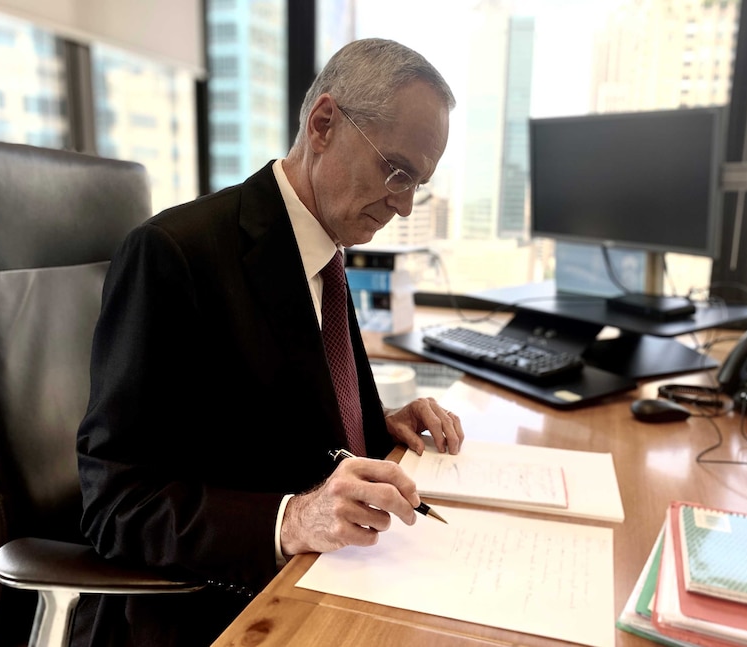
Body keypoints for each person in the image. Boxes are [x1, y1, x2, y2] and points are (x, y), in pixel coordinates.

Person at [73, 38, 462, 646]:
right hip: (223, 605)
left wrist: (381, 423)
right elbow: (116, 502)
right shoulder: (176, 255)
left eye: (419, 184)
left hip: (341, 576)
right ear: (324, 123)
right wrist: (292, 520)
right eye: (396, 172)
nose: (406, 207)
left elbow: (274, 414)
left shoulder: (326, 251)